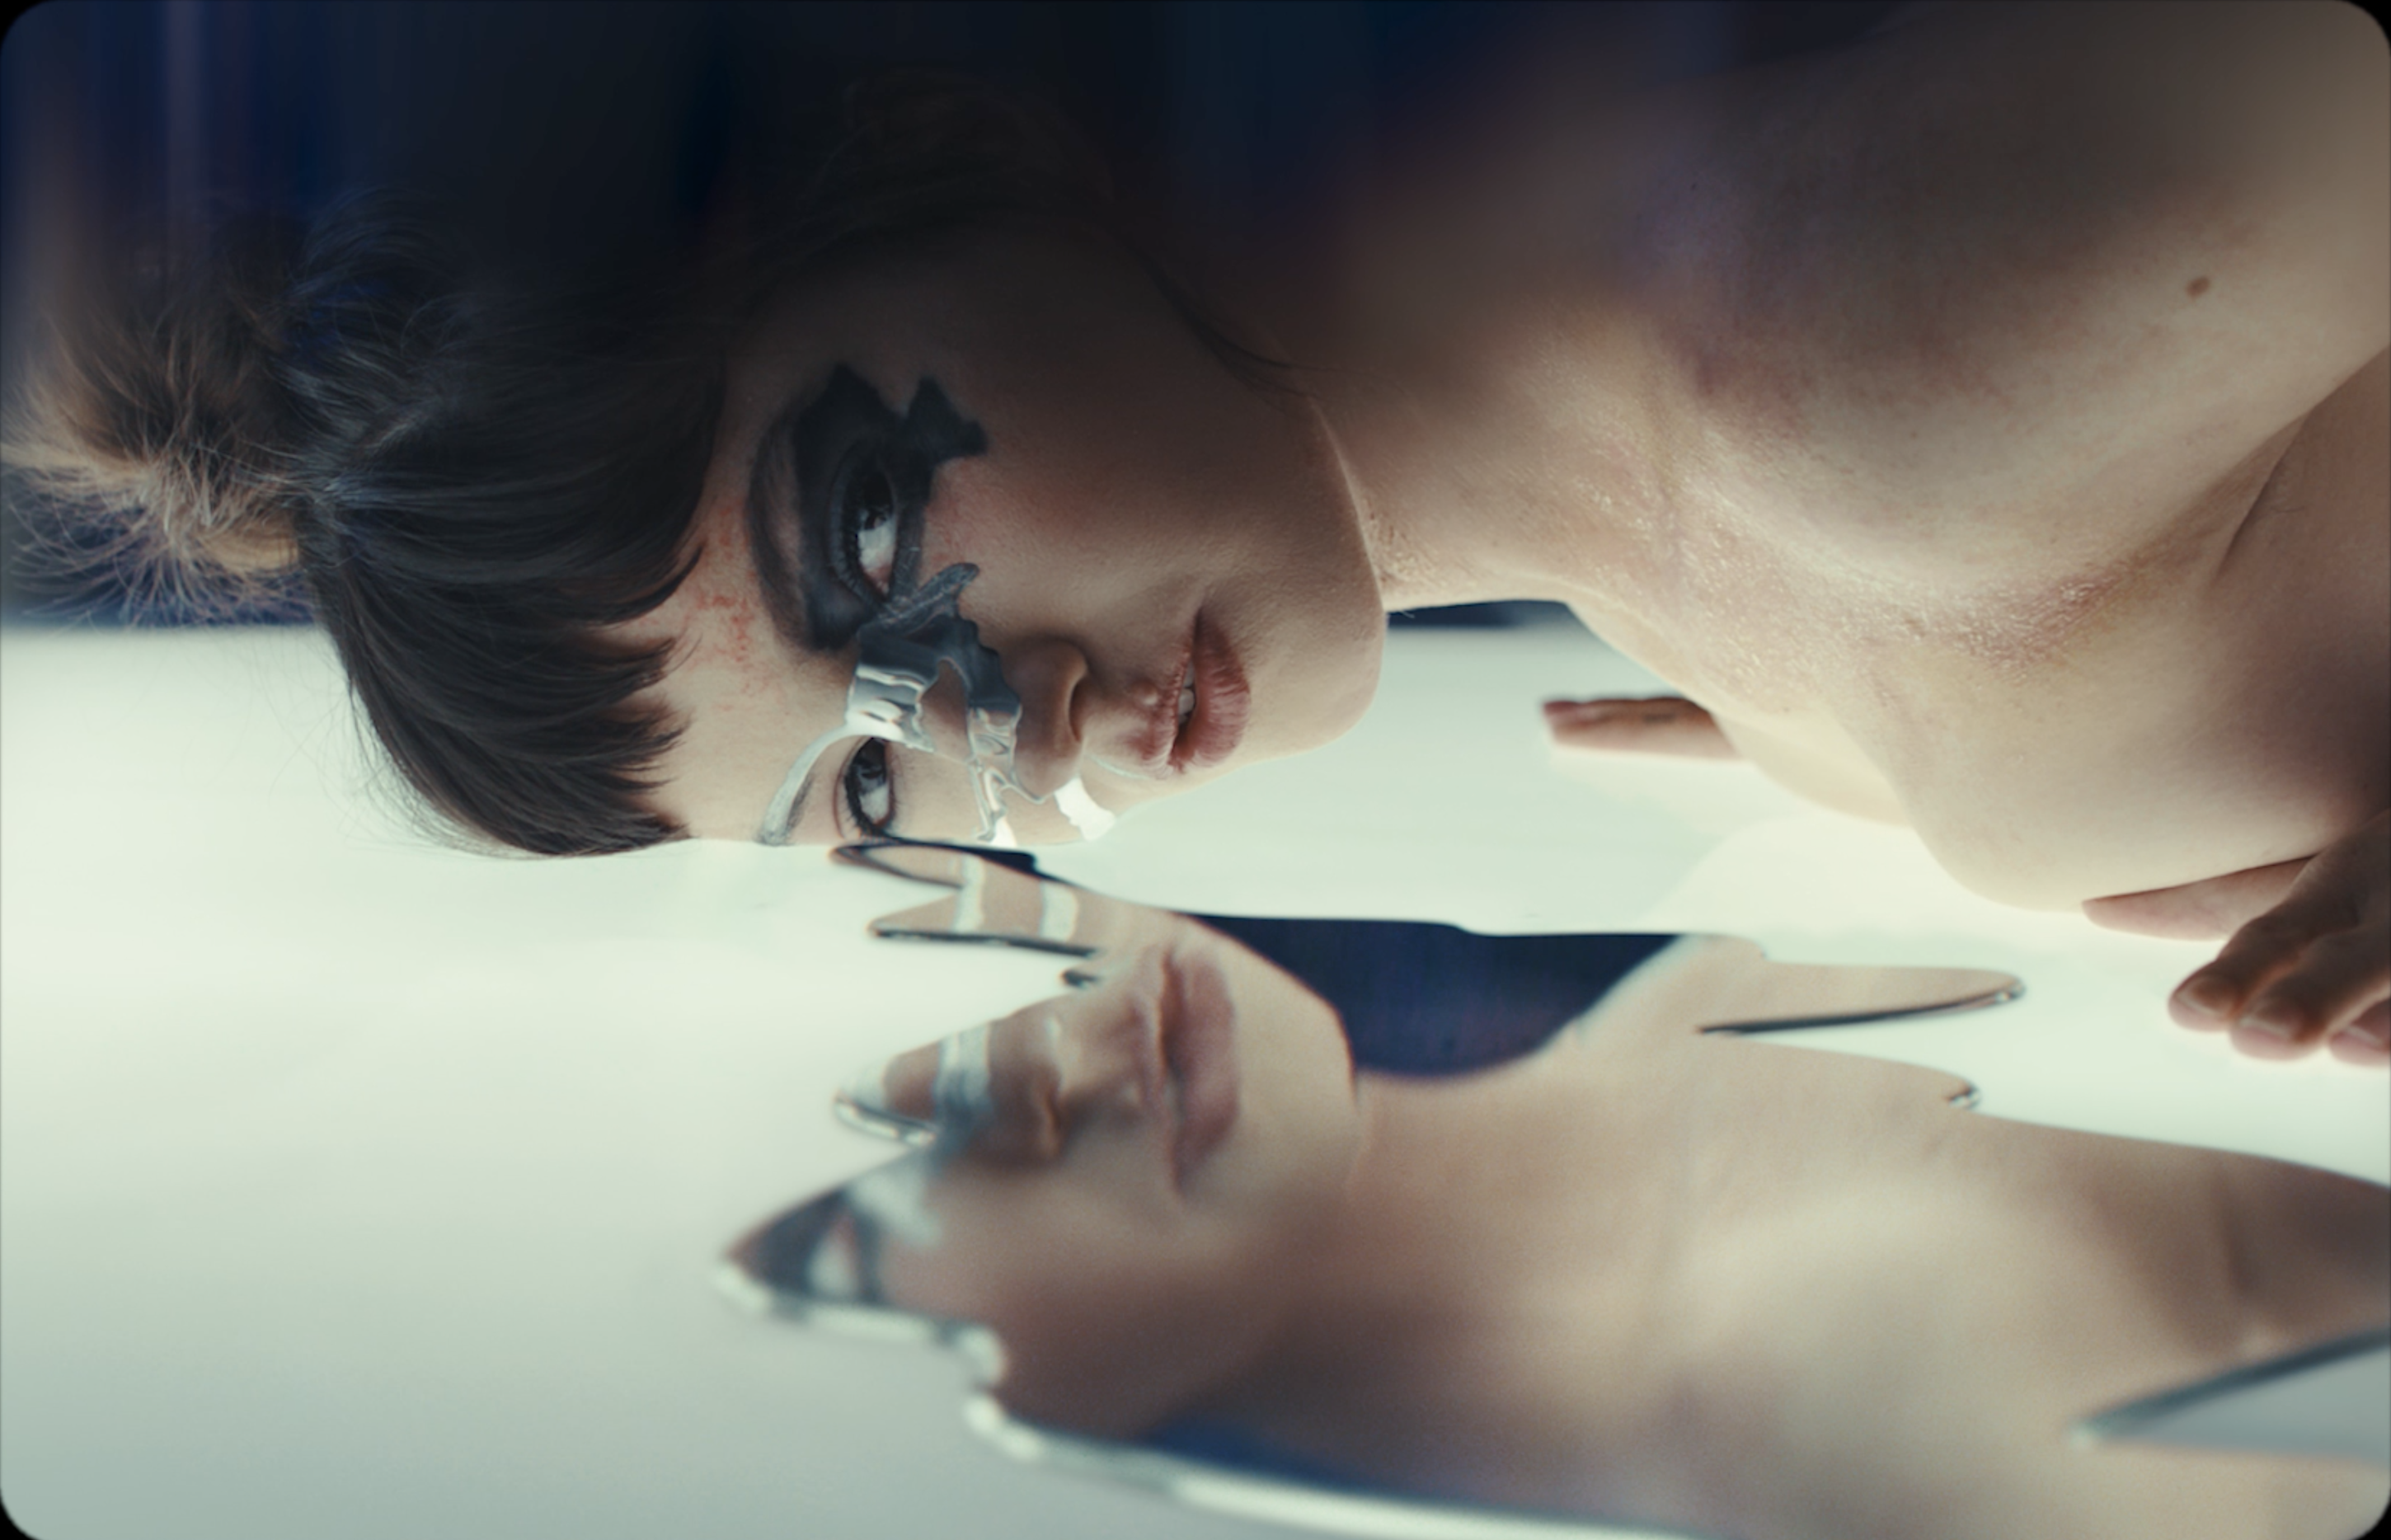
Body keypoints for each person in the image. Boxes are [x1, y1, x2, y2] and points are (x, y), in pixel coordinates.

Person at [6, 4, 2384, 1061]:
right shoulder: (1746, 510)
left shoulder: (1886, 348)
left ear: (886, 167)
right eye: (867, 778)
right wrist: (1840, 735)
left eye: (860, 529)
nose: (1012, 731)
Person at [733, 848, 2391, 1540]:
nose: (1001, 1072)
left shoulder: (1681, 934)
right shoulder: (1827, 1406)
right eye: (855, 1219)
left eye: (920, 1055)